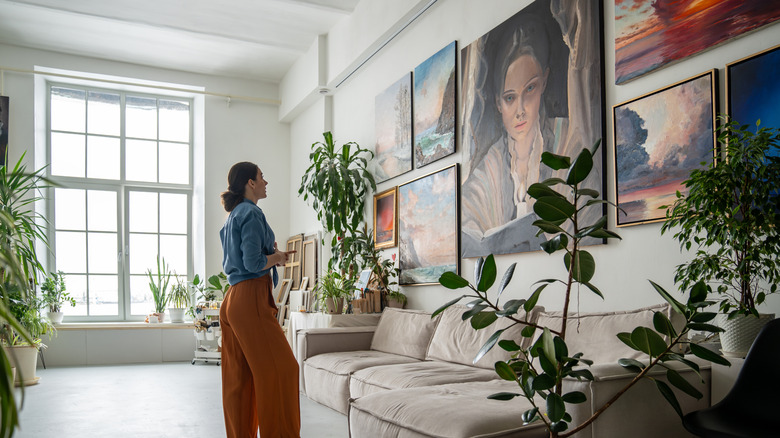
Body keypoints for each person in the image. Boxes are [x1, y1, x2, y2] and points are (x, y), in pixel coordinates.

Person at [461, 22, 564, 257]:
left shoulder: (567, 140)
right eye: (510, 98)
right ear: (498, 103)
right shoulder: (489, 168)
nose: (520, 110)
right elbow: (465, 218)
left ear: (544, 82)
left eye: (530, 89)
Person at [219, 161, 299, 438]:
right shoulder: (252, 213)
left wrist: (271, 257)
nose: (266, 182)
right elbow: (253, 262)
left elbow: (241, 260)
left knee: (239, 379)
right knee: (282, 372)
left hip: (232, 299)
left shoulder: (233, 216)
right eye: (262, 177)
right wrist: (277, 257)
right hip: (250, 297)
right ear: (250, 183)